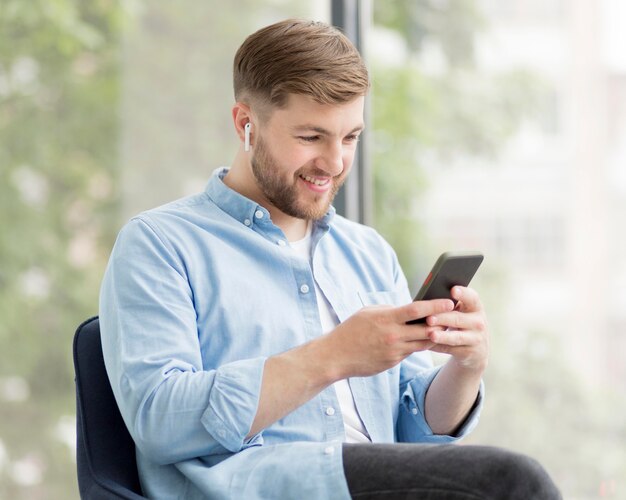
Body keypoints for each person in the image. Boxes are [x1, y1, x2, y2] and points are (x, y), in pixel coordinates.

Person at [99, 19, 561, 499]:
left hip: (375, 483)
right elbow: (158, 419)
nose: (336, 163)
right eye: (311, 138)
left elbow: (412, 434)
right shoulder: (159, 244)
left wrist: (467, 367)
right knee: (512, 483)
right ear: (245, 124)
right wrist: (333, 355)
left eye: (350, 137)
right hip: (258, 487)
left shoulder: (367, 253)